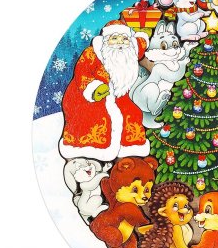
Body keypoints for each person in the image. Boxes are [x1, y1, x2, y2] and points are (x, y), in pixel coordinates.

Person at [59, 21, 150, 161]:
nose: (120, 43)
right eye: (114, 38)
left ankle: (129, 153)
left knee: (133, 114)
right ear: (105, 40)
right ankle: (88, 153)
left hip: (119, 97)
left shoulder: (130, 53)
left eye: (124, 39)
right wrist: (94, 87)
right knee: (92, 119)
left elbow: (140, 45)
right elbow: (82, 71)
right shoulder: (92, 53)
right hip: (88, 97)